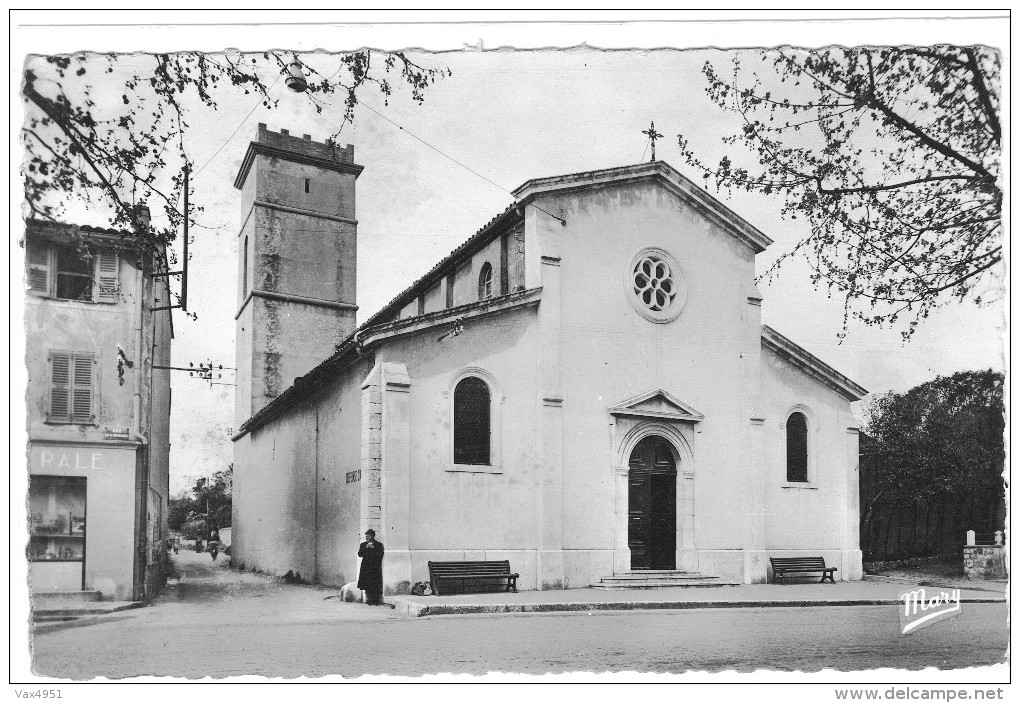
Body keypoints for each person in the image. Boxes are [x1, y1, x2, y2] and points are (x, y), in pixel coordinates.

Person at [357, 529, 385, 605]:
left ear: (372, 536)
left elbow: (380, 555)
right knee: (366, 584)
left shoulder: (378, 545)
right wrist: (366, 547)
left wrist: (373, 549)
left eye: (368, 536)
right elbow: (360, 554)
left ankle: (375, 600)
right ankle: (368, 600)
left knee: (375, 584)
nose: (367, 538)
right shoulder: (363, 545)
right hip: (366, 568)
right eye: (366, 536)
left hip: (374, 567)